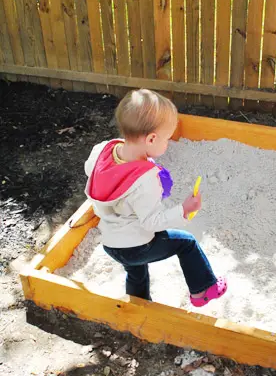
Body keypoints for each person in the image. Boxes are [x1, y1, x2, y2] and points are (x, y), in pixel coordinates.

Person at [84, 89, 227, 306]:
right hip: (135, 247)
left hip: (110, 242)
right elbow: (152, 222)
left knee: (136, 271)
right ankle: (203, 290)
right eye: (167, 139)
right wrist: (184, 209)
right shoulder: (145, 179)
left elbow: (89, 170)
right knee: (186, 243)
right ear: (151, 138)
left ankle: (138, 302)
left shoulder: (104, 149)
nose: (167, 144)